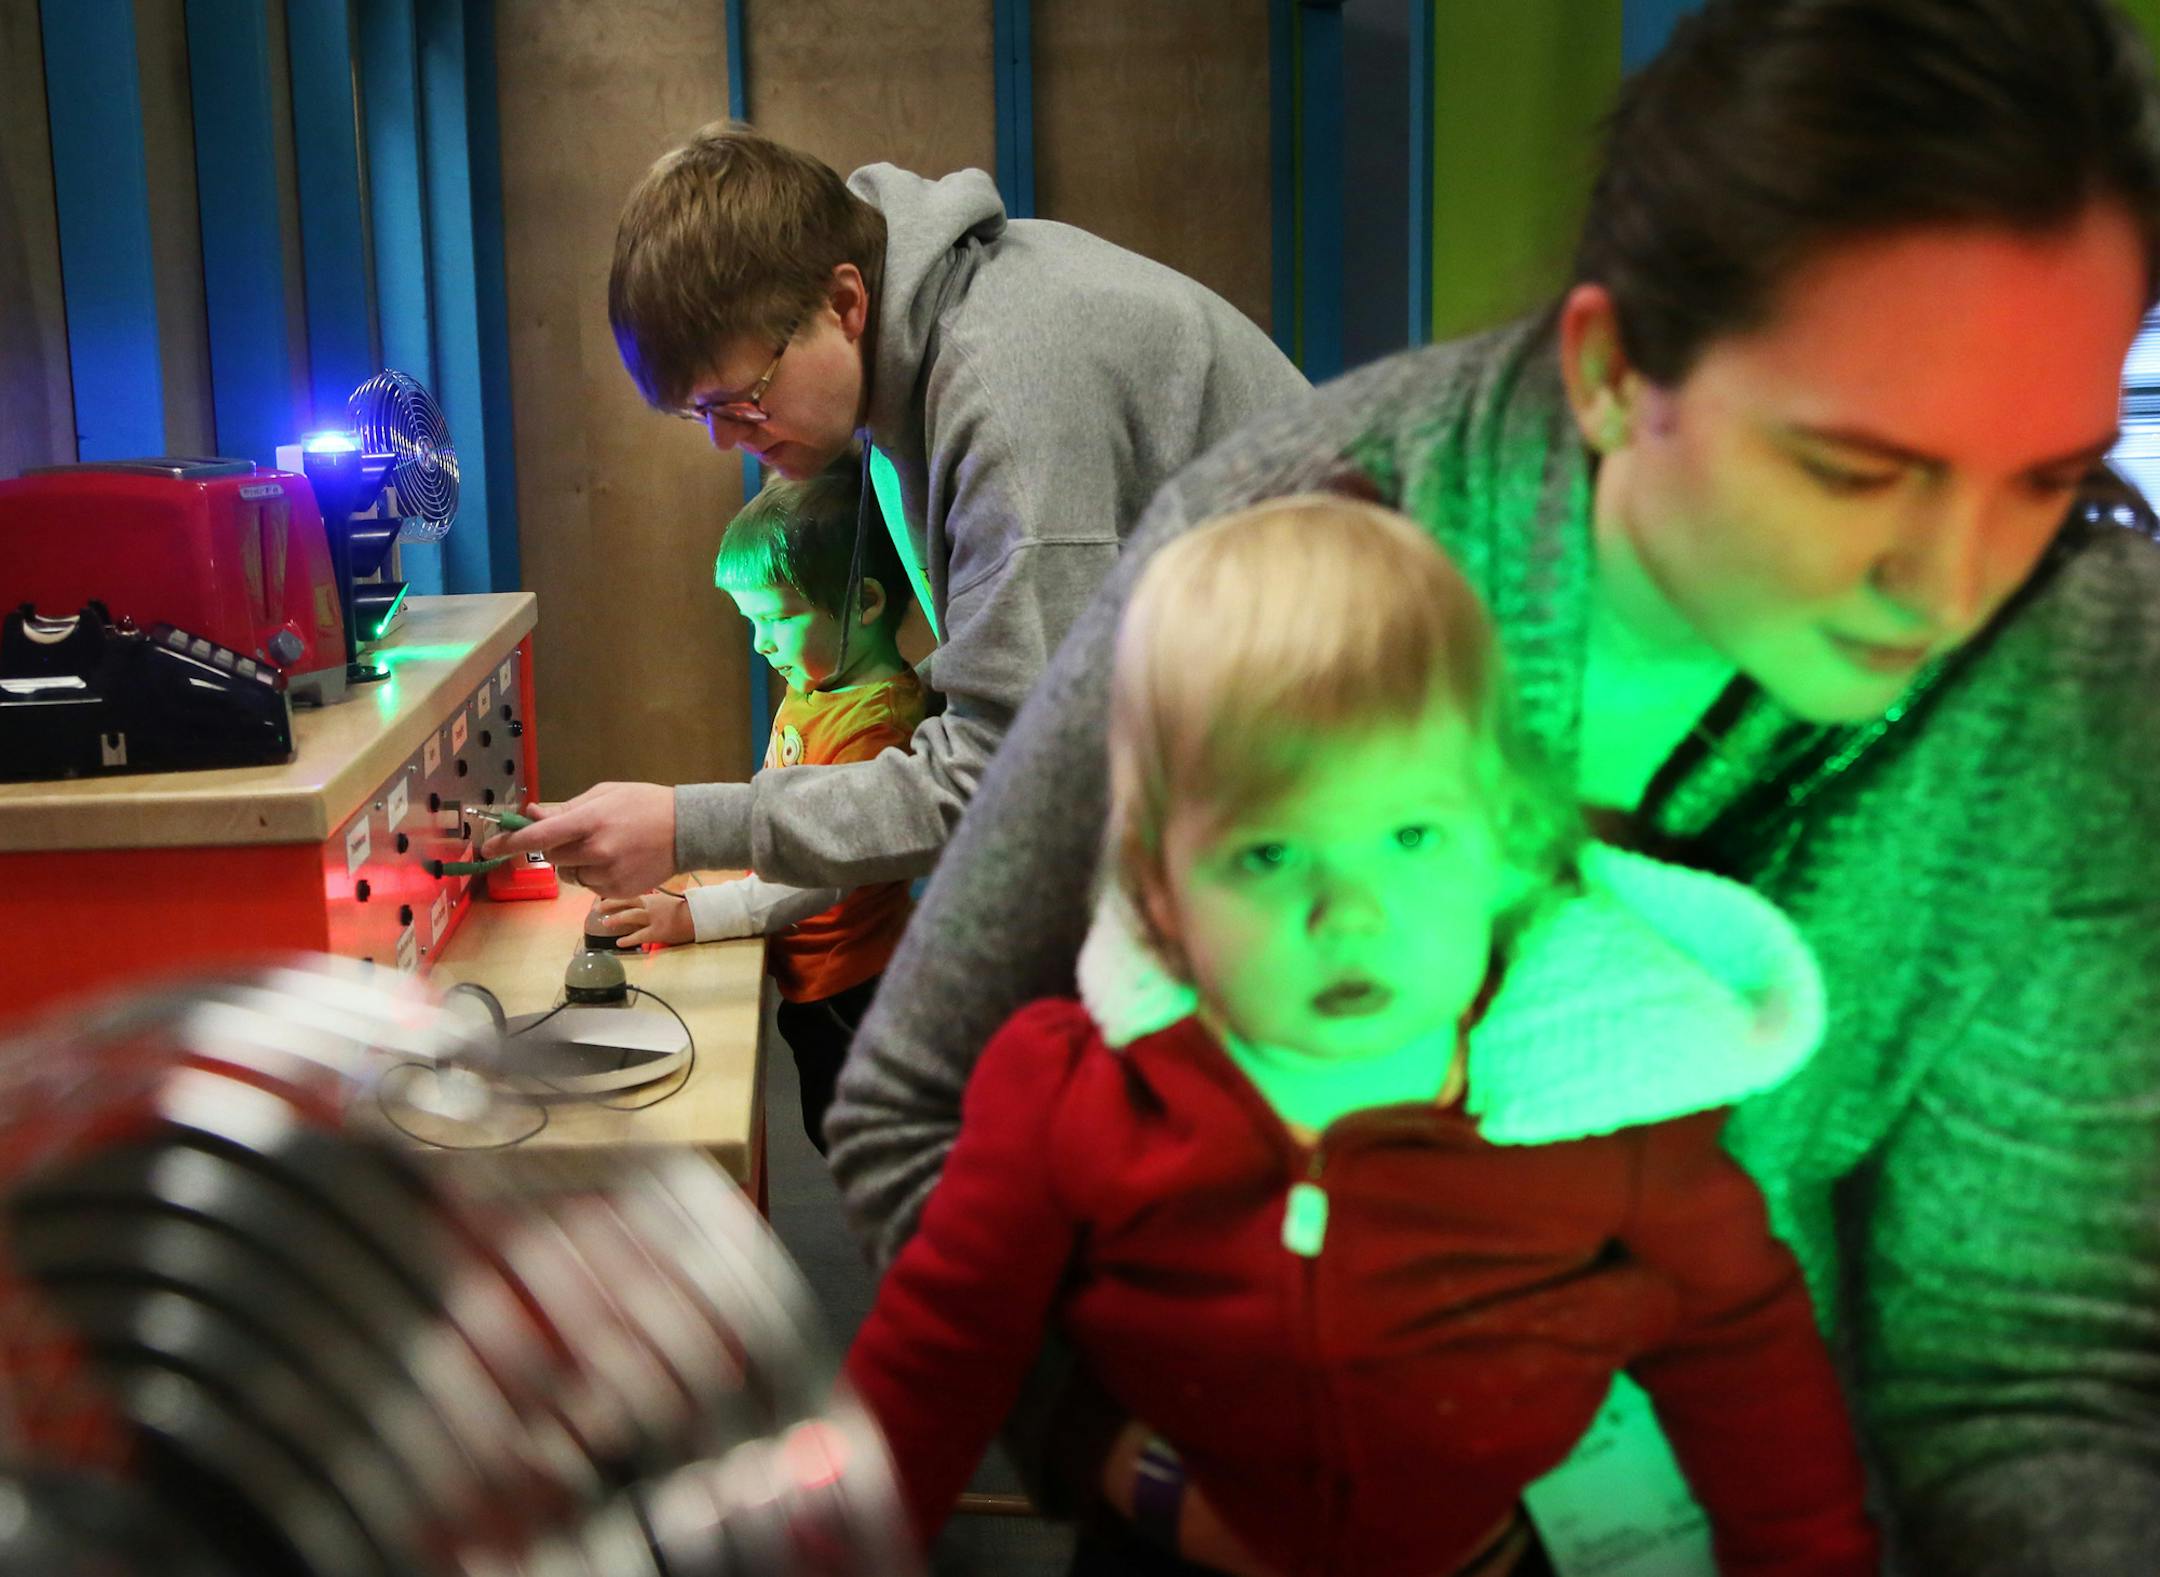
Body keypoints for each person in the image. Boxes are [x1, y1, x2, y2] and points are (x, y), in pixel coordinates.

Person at [826, 0, 2160, 1570]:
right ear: (1609, 371)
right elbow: (919, 1105)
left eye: (2049, 479)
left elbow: (2020, 1370)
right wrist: (1134, 1466)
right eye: (1856, 468)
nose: (1953, 586)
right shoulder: (1281, 556)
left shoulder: (2076, 670)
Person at [843, 498, 1879, 1577]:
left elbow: (1750, 1366)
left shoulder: (1605, 1103)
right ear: (1157, 888)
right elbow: (935, 1357)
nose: (1348, 912)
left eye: (1411, 834)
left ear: (1505, 843)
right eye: (1269, 853)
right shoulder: (1069, 1090)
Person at [483, 122, 1309, 896]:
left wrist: (687, 827)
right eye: (700, 414)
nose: (726, 442)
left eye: (744, 401)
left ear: (843, 305)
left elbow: (1005, 775)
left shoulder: (1004, 393)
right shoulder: (918, 352)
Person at [594, 461, 926, 1153]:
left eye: (775, 616)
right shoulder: (821, 680)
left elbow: (820, 868)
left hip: (853, 987)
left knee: (863, 1146)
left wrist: (694, 916)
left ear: (864, 603)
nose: (760, 641)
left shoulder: (876, 724)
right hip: (816, 976)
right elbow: (776, 799)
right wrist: (723, 868)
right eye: (751, 620)